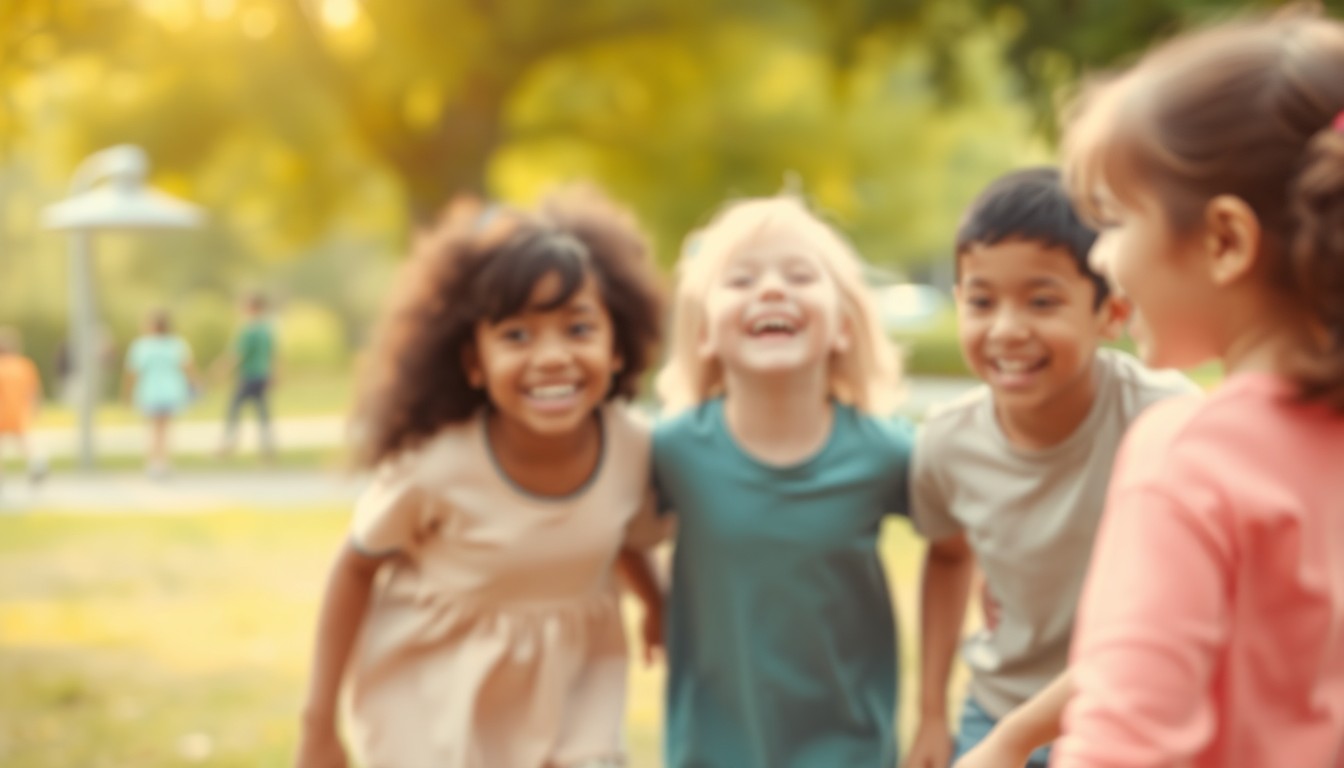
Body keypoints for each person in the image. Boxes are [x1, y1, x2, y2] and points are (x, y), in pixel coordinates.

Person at [1052, 9, 1344, 767]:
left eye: (1117, 221)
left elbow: (1120, 751)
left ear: (1225, 241)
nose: (1104, 260)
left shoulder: (1190, 457)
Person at [295, 187, 668, 768]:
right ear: (474, 362)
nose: (551, 357)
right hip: (439, 695)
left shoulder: (634, 447)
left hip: (573, 689)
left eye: (578, 329)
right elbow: (356, 566)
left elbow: (621, 533)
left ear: (617, 347)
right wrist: (317, 725)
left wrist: (657, 603)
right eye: (516, 335)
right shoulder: (437, 467)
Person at [901, 168, 1198, 768]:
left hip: (1127, 711)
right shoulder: (945, 442)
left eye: (1042, 301)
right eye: (982, 301)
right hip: (998, 709)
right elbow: (950, 555)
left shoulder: (1165, 419)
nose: (1008, 329)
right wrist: (931, 714)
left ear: (1111, 314)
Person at [652, 194, 913, 767]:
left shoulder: (886, 454)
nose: (772, 290)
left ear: (844, 327)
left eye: (799, 275)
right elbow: (608, 528)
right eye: (741, 279)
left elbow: (961, 531)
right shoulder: (672, 452)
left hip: (850, 753)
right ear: (703, 334)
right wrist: (649, 596)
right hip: (711, 754)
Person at [123, 310, 197, 479]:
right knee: (165, 429)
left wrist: (127, 394)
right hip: (171, 391)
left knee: (154, 429)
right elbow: (188, 368)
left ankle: (154, 464)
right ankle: (163, 463)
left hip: (150, 391)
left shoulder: (142, 346)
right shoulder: (176, 344)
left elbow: (132, 373)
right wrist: (195, 385)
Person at [216, 292, 277, 461]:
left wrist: (222, 368)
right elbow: (273, 353)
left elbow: (237, 353)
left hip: (248, 374)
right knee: (262, 411)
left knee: (234, 409)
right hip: (262, 374)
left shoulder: (248, 329)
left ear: (251, 308)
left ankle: (228, 444)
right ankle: (267, 447)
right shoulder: (266, 329)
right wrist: (274, 374)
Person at [0, 327, 48, 484]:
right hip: (19, 412)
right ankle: (37, 465)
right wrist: (35, 408)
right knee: (25, 442)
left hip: (2, 412)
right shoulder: (25, 365)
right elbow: (34, 391)